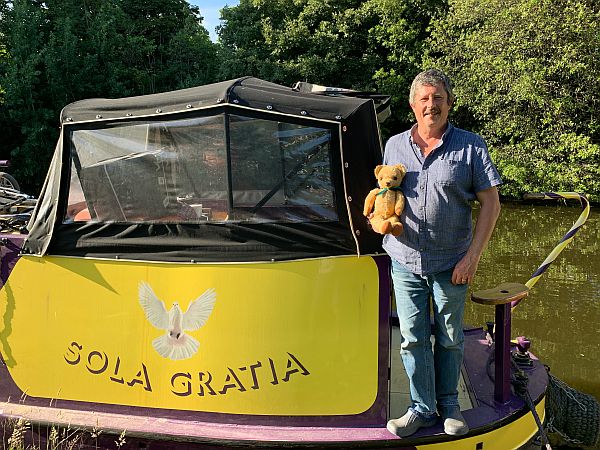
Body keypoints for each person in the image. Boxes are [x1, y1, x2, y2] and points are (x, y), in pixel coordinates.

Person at [383, 69, 502, 437]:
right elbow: (388, 194)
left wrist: (472, 258)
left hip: (452, 262)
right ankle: (421, 408)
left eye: (438, 98)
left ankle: (449, 405)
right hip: (404, 259)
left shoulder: (471, 145)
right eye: (424, 99)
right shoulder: (394, 145)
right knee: (413, 338)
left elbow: (492, 205)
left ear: (449, 103)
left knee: (450, 337)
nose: (430, 105)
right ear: (412, 105)